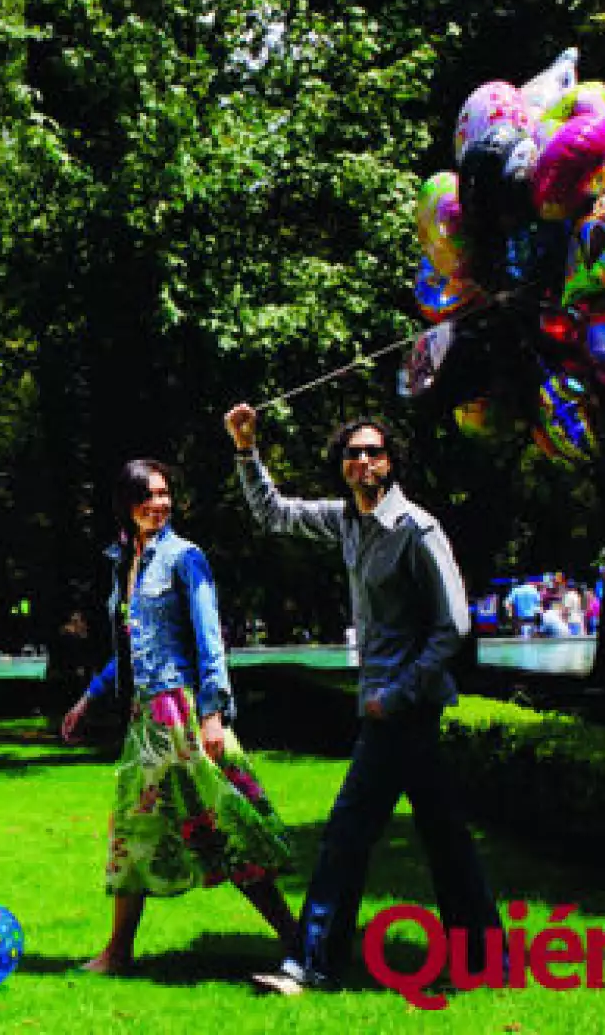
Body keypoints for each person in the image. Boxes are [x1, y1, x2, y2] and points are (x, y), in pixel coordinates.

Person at [225, 403, 505, 995]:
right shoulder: (348, 522)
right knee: (445, 838)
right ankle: (486, 963)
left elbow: (453, 626)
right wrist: (247, 449)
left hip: (404, 710)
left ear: (390, 462)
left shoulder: (417, 529)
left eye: (374, 452)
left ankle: (312, 965)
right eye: (353, 453)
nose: (363, 461)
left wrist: (397, 694)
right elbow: (274, 514)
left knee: (347, 834)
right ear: (342, 465)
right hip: (389, 709)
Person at [61, 459, 299, 975]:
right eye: (147, 495)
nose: (159, 504)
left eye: (165, 494)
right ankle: (118, 952)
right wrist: (89, 698)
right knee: (134, 827)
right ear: (127, 504)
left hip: (182, 714)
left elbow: (210, 637)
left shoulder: (185, 557)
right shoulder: (125, 561)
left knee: (225, 824)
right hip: (145, 720)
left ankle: (297, 939)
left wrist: (213, 713)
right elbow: (130, 647)